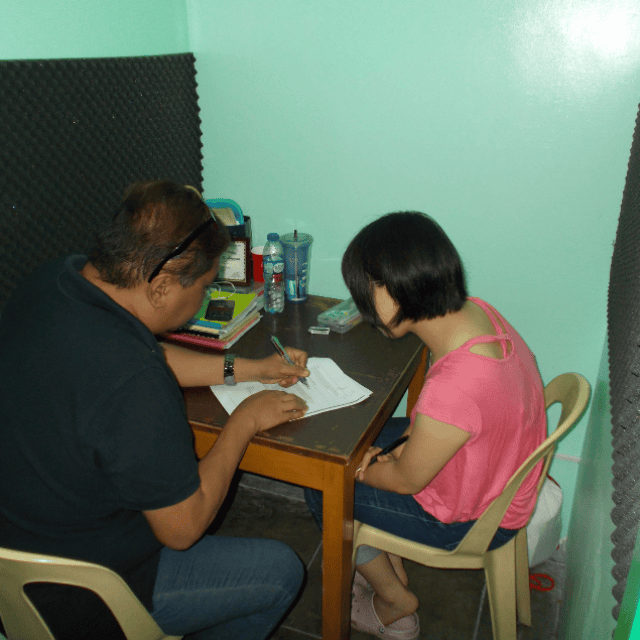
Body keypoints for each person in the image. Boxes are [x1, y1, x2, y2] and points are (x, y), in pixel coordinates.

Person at [0, 180, 310, 640]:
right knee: (280, 572)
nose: (205, 298)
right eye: (204, 286)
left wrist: (248, 369)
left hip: (15, 546)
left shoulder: (54, 280)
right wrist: (244, 422)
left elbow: (143, 354)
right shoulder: (135, 383)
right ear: (162, 287)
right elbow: (183, 529)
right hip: (82, 590)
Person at [304, 211, 547, 640]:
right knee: (359, 441)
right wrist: (391, 449)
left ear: (396, 288)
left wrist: (364, 468)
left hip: (472, 519)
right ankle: (383, 555)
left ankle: (394, 602)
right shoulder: (476, 314)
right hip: (492, 470)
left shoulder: (457, 387)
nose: (361, 304)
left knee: (324, 480)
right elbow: (445, 422)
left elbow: (405, 480)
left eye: (364, 291)